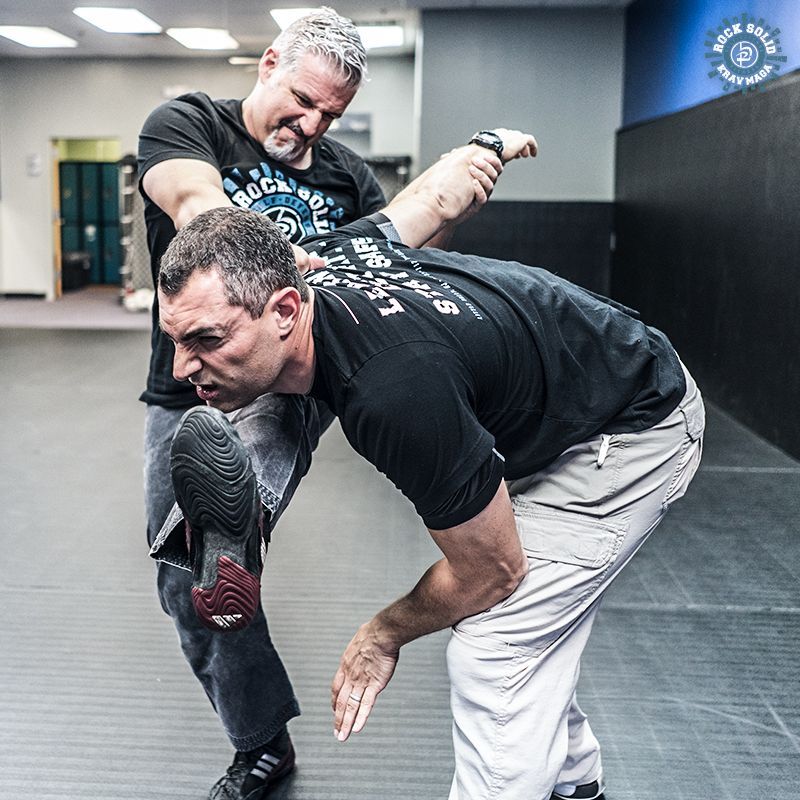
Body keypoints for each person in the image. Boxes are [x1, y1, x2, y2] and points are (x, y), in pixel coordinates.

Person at [155, 128, 705, 800]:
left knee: (498, 646)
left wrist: (383, 632)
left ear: (288, 304)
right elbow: (430, 200)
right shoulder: (329, 254)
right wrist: (485, 148)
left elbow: (492, 569)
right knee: (268, 389)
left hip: (629, 432)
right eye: (175, 340)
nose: (182, 370)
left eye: (206, 339)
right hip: (556, 390)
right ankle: (577, 785)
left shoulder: (395, 396)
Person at [136, 8, 387, 798]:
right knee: (186, 578)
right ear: (269, 62)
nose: (310, 125)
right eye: (303, 100)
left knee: (239, 481)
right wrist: (268, 255)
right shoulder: (190, 124)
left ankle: (236, 516)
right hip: (186, 383)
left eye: (330, 115)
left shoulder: (349, 179)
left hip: (291, 384)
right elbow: (193, 199)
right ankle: (263, 742)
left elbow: (378, 274)